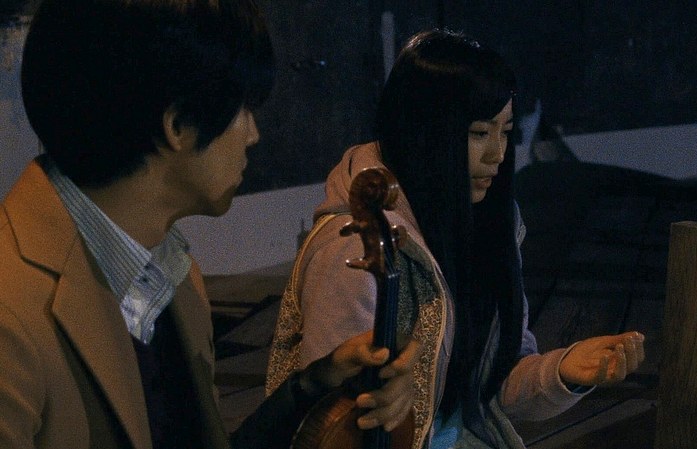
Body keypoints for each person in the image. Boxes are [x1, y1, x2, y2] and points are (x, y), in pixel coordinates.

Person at [0, 0, 417, 448]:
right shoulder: (13, 316)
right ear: (178, 126)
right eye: (243, 109)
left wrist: (316, 386)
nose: (253, 134)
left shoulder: (171, 272)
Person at [266, 29, 645, 449]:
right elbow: (333, 423)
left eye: (506, 131)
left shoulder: (488, 221)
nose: (497, 154)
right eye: (480, 133)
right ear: (427, 133)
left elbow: (494, 387)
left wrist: (565, 371)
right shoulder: (353, 248)